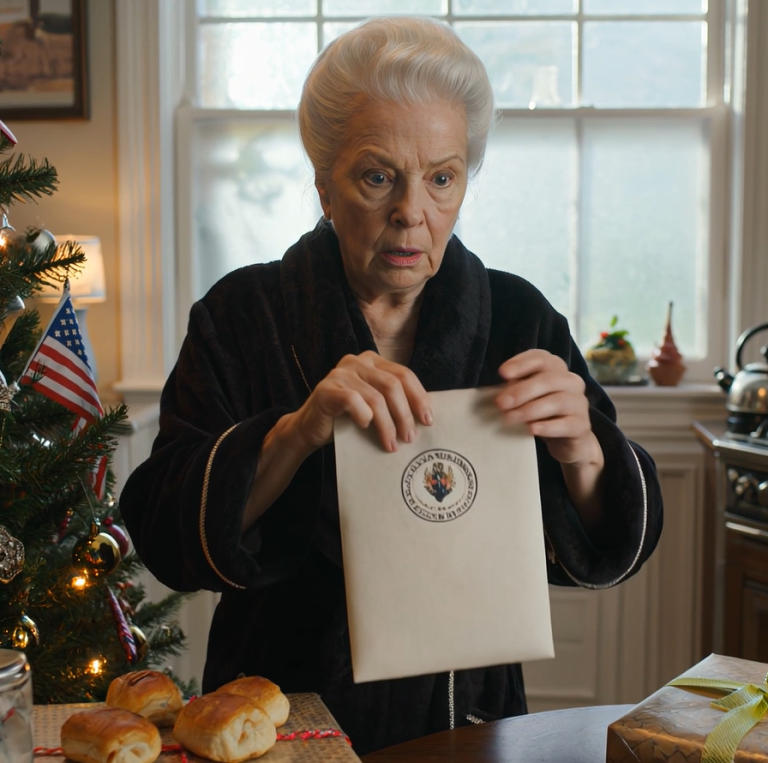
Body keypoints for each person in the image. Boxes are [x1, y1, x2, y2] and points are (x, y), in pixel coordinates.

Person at [120, 16, 663, 756]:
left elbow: (614, 542)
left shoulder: (518, 316)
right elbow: (163, 532)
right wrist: (297, 429)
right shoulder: (240, 315)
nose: (413, 212)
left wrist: (583, 452)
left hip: (467, 721)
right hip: (275, 720)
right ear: (323, 183)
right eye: (378, 176)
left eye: (442, 177)